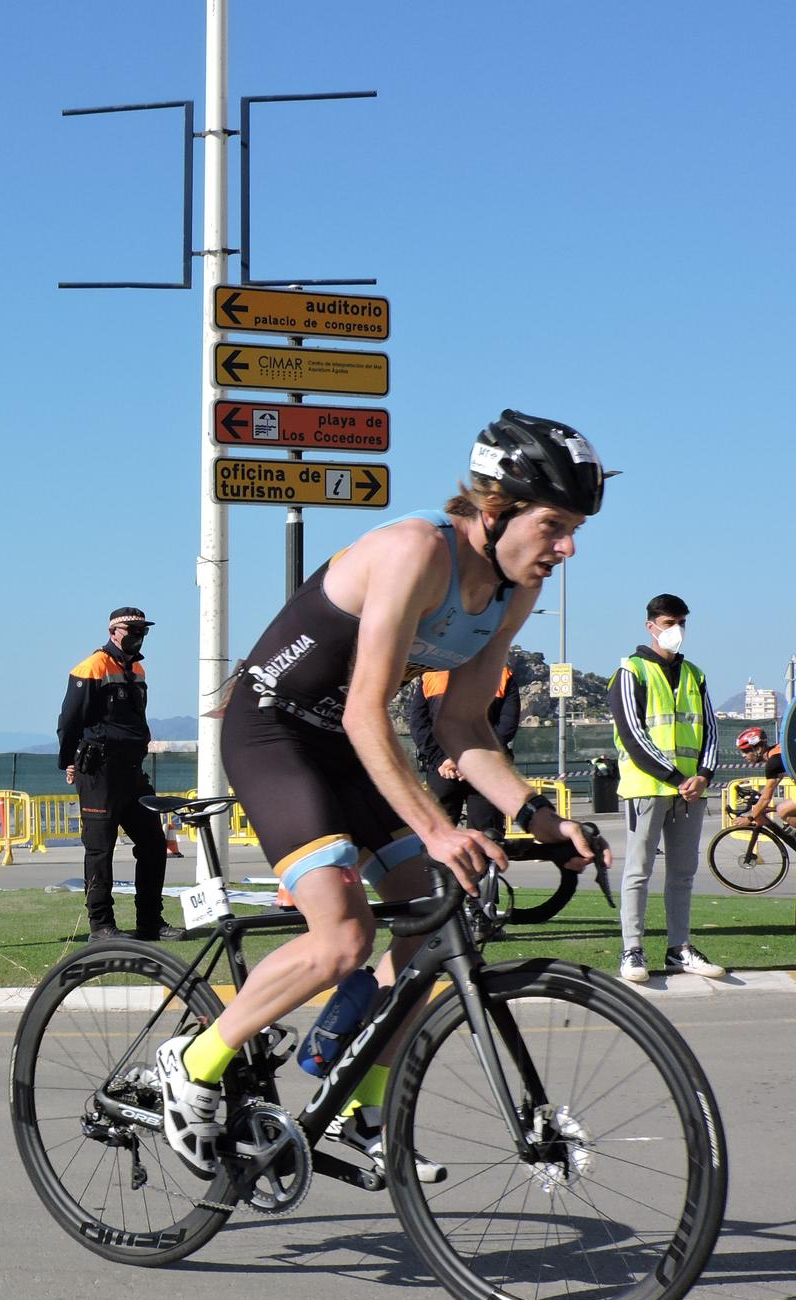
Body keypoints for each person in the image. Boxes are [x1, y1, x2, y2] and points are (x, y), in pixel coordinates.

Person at [157, 410, 607, 1182]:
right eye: (556, 526)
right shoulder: (413, 550)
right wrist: (437, 828)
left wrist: (541, 817)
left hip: (345, 745)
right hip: (272, 731)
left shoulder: (511, 590)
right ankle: (193, 1063)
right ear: (496, 510)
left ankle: (361, 1099)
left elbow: (463, 724)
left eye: (574, 531)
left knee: (431, 915)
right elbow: (371, 709)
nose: (567, 548)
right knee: (342, 938)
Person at [608, 595, 726, 983]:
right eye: (669, 622)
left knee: (683, 873)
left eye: (682, 623)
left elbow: (710, 730)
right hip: (646, 789)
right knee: (638, 872)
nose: (677, 630)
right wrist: (678, 778)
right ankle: (632, 950)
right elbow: (633, 734)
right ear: (651, 626)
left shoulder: (695, 673)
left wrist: (704, 775)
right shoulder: (631, 670)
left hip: (691, 793)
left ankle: (679, 948)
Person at [57, 606, 183, 943]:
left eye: (143, 630)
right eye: (133, 629)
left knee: (154, 844)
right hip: (99, 772)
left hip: (132, 771)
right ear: (114, 631)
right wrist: (68, 760)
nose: (139, 636)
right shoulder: (92, 666)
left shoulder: (137, 669)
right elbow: (69, 720)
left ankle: (150, 922)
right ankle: (101, 927)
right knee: (100, 849)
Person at [408, 647, 527, 837]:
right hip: (487, 771)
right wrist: (474, 762)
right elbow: (506, 728)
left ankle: (438, 867)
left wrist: (442, 759)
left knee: (437, 838)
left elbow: (418, 725)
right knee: (489, 837)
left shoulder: (431, 675)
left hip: (444, 771)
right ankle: (486, 866)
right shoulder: (502, 675)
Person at [733, 726, 795, 826]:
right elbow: (770, 787)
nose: (743, 755)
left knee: (783, 810)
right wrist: (758, 796)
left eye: (746, 751)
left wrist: (749, 818)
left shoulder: (773, 763)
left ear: (758, 748)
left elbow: (766, 799)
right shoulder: (776, 752)